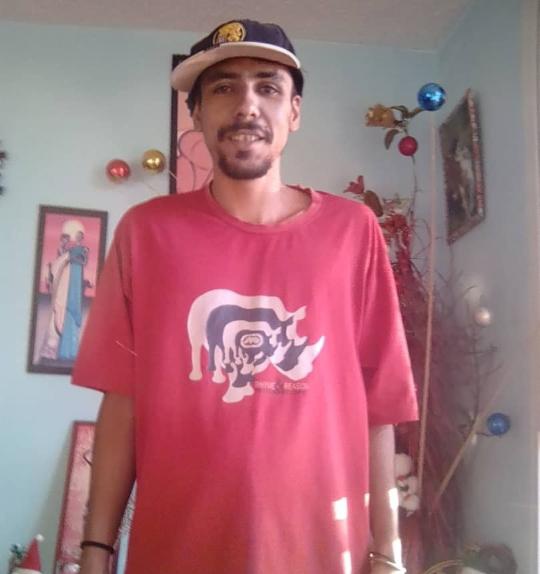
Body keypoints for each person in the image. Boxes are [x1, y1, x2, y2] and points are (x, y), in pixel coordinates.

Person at [73, 19, 418, 574]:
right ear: (196, 114)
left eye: (268, 87)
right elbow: (122, 404)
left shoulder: (353, 232)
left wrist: (387, 552)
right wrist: (95, 551)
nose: (246, 105)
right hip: (177, 550)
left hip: (322, 551)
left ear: (294, 112)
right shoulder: (146, 233)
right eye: (224, 88)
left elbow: (379, 406)